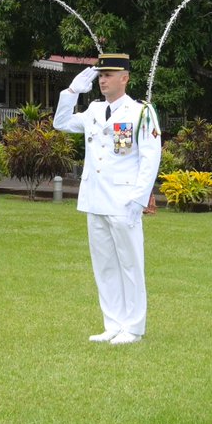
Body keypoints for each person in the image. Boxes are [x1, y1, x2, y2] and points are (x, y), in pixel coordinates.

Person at [55, 53, 161, 345]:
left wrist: (139, 199)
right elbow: (60, 122)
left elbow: (150, 157)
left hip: (124, 199)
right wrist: (71, 91)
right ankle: (113, 323)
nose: (102, 80)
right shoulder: (92, 110)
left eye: (109, 75)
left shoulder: (140, 112)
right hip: (95, 198)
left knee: (130, 264)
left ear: (124, 78)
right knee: (104, 265)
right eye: (100, 75)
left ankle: (134, 327)